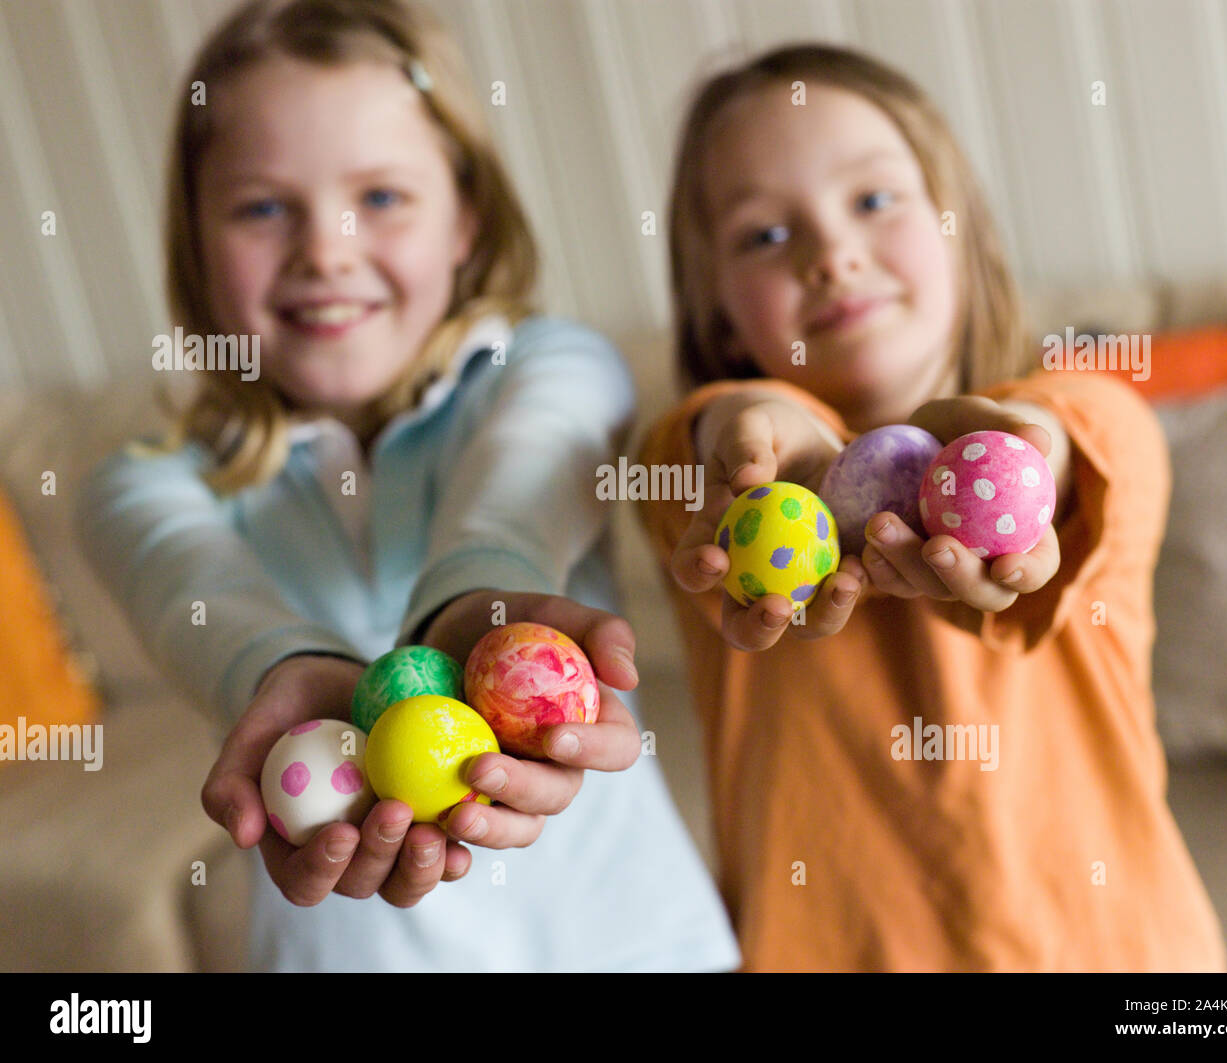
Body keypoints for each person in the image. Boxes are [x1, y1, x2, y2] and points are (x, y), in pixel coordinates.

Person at [77, 0, 738, 973]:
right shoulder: (140, 484)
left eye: (380, 196)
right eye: (263, 207)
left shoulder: (549, 369)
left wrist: (472, 604)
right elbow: (193, 589)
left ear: (465, 217)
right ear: (197, 249)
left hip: (630, 942)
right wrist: (283, 666)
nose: (327, 250)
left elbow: (524, 475)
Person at [638, 43, 1227, 971]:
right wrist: (757, 436)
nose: (832, 254)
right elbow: (711, 431)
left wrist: (1021, 450)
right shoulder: (710, 480)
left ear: (962, 232)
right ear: (715, 311)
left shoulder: (1096, 414)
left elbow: (1065, 444)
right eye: (762, 234)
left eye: (874, 200)